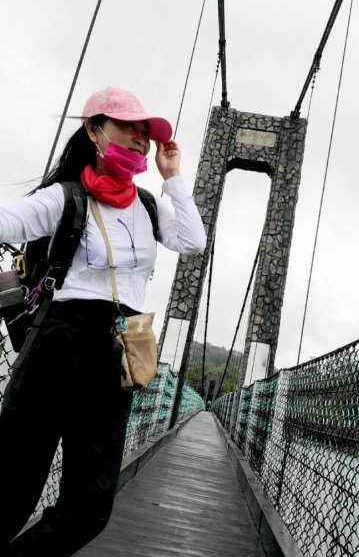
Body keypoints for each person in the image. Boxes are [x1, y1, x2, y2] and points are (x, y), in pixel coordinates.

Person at [0, 86, 207, 556]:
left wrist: (173, 176)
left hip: (119, 355)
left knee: (89, 510)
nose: (139, 140)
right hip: (59, 344)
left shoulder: (149, 207)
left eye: (145, 132)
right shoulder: (66, 198)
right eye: (127, 127)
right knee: (10, 496)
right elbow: (7, 220)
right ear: (94, 130)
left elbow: (193, 241)